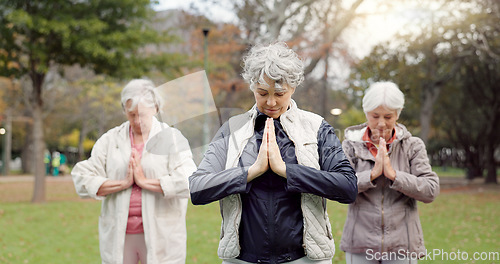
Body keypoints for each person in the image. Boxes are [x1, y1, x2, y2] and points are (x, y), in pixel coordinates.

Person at [189, 42, 358, 264]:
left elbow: (347, 187)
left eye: (279, 93)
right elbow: (197, 188)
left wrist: (286, 170)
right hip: (242, 259)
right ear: (252, 86)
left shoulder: (317, 126)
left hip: (305, 258)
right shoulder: (231, 129)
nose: (270, 102)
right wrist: (251, 172)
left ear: (293, 87)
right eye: (262, 93)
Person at [71, 79, 197, 264]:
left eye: (142, 115)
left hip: (161, 233)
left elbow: (189, 180)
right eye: (132, 115)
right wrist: (123, 184)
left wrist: (145, 182)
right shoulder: (110, 140)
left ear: (155, 108)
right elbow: (82, 177)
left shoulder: (173, 139)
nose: (137, 121)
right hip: (120, 234)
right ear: (124, 111)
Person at [339, 81, 440, 264]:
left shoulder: (413, 146)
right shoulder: (350, 146)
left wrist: (394, 175)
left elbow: (430, 190)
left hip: (402, 245)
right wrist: (371, 175)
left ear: (398, 114)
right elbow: (339, 188)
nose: (381, 123)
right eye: (375, 116)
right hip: (360, 244)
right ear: (366, 112)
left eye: (388, 116)